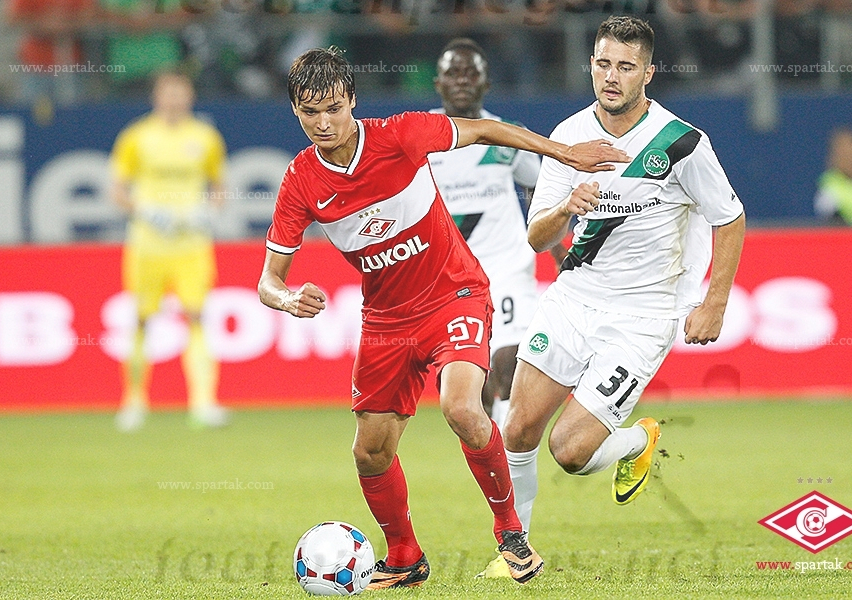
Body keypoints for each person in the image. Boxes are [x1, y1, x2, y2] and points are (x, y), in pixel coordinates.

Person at [257, 46, 629, 589]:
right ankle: (404, 557)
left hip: (454, 293)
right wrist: (288, 299)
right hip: (385, 320)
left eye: (333, 108)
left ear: (352, 100)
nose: (324, 123)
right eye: (310, 113)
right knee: (370, 451)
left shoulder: (399, 135)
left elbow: (484, 130)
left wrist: (564, 152)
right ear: (295, 111)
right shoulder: (300, 181)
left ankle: (511, 535)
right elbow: (268, 281)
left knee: (461, 406)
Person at [486, 15, 746, 576]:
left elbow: (729, 217)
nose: (611, 76)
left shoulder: (681, 143)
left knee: (570, 452)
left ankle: (636, 441)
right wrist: (566, 206)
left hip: (642, 317)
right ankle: (513, 551)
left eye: (626, 67)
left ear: (648, 73)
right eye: (603, 64)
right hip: (573, 298)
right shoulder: (568, 135)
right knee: (518, 428)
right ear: (590, 65)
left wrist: (715, 302)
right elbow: (536, 238)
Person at [428, 38, 544, 427]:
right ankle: (491, 450)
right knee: (471, 389)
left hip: (507, 267)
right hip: (450, 278)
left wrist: (556, 244)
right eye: (453, 73)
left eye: (471, 73)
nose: (462, 80)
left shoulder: (507, 135)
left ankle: (512, 457)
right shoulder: (418, 139)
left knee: (509, 365)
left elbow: (539, 188)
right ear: (438, 83)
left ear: (486, 83)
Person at [111, 71, 229, 431]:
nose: (175, 99)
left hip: (191, 244)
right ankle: (133, 402)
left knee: (196, 317)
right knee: (141, 319)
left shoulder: (206, 137)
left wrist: (207, 213)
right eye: (169, 93)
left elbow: (219, 187)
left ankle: (203, 402)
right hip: (148, 245)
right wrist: (145, 211)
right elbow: (118, 191)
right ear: (157, 96)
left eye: (181, 92)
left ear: (190, 96)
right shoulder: (136, 137)